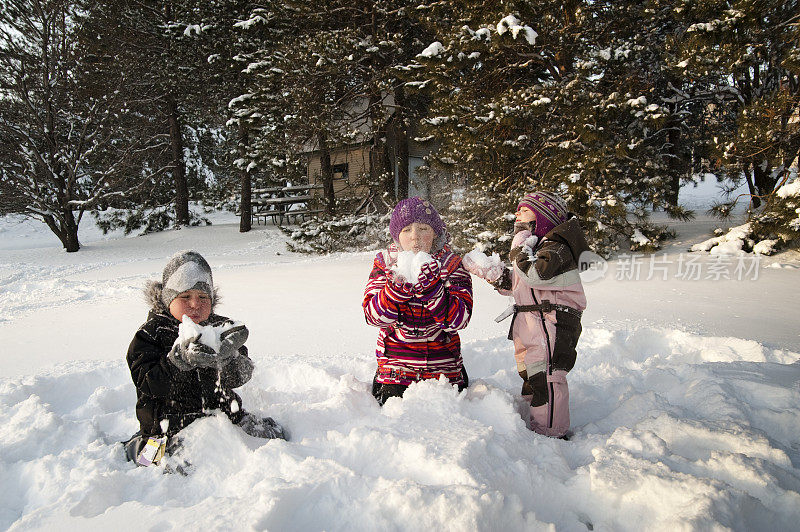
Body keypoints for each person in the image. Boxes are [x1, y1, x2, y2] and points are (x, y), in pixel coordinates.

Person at [123, 250, 285, 467]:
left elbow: (240, 376)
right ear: (168, 298)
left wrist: (230, 359)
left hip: (223, 417)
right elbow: (147, 382)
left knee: (274, 436)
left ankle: (234, 426)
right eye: (185, 297)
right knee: (155, 462)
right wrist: (178, 361)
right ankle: (136, 446)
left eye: (203, 297)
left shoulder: (220, 329)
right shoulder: (151, 334)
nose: (195, 304)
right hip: (166, 427)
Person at [463, 191, 589, 438]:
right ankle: (538, 425)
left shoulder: (558, 247)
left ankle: (552, 434)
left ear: (543, 216)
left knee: (547, 376)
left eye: (524, 209)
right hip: (532, 322)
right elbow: (521, 285)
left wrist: (519, 246)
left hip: (552, 323)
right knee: (532, 374)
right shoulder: (539, 247)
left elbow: (536, 274)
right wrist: (492, 273)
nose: (517, 212)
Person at [363, 197, 473, 405]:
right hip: (396, 367)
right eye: (406, 230)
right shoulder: (385, 262)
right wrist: (394, 292)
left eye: (423, 228)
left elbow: (460, 320)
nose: (415, 238)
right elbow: (373, 316)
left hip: (444, 370)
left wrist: (434, 290)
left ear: (435, 233)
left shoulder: (451, 265)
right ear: (396, 236)